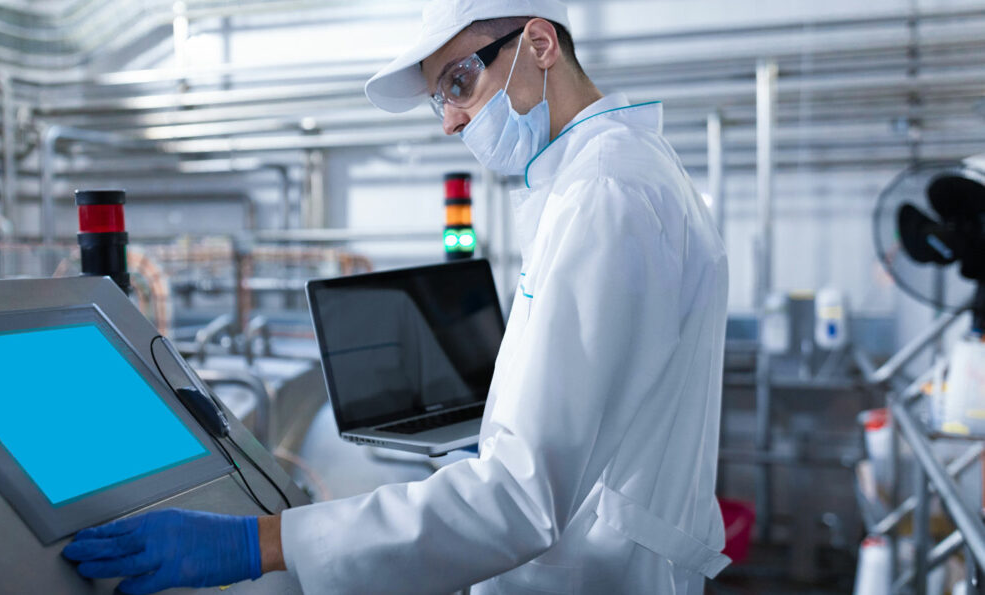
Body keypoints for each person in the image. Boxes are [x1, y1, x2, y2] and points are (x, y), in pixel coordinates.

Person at [62, 0, 730, 593]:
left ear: (540, 45)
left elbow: (519, 500)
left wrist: (261, 542)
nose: (451, 122)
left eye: (460, 83)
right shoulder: (620, 172)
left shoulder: (602, 193)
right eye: (443, 99)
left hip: (592, 569)